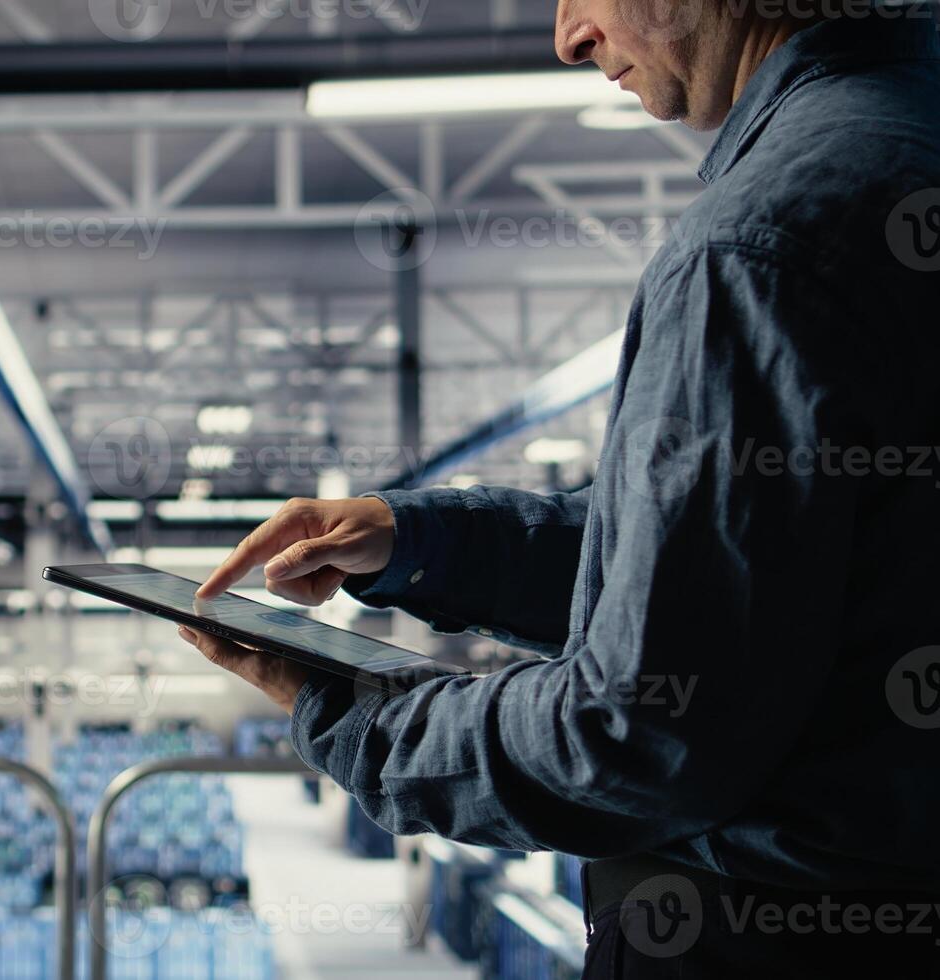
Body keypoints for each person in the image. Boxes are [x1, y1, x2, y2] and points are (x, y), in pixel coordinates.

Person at [182, 1, 940, 975]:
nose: (567, 37)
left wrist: (354, 713)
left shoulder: (756, 249)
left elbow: (633, 734)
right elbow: (747, 563)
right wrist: (417, 542)